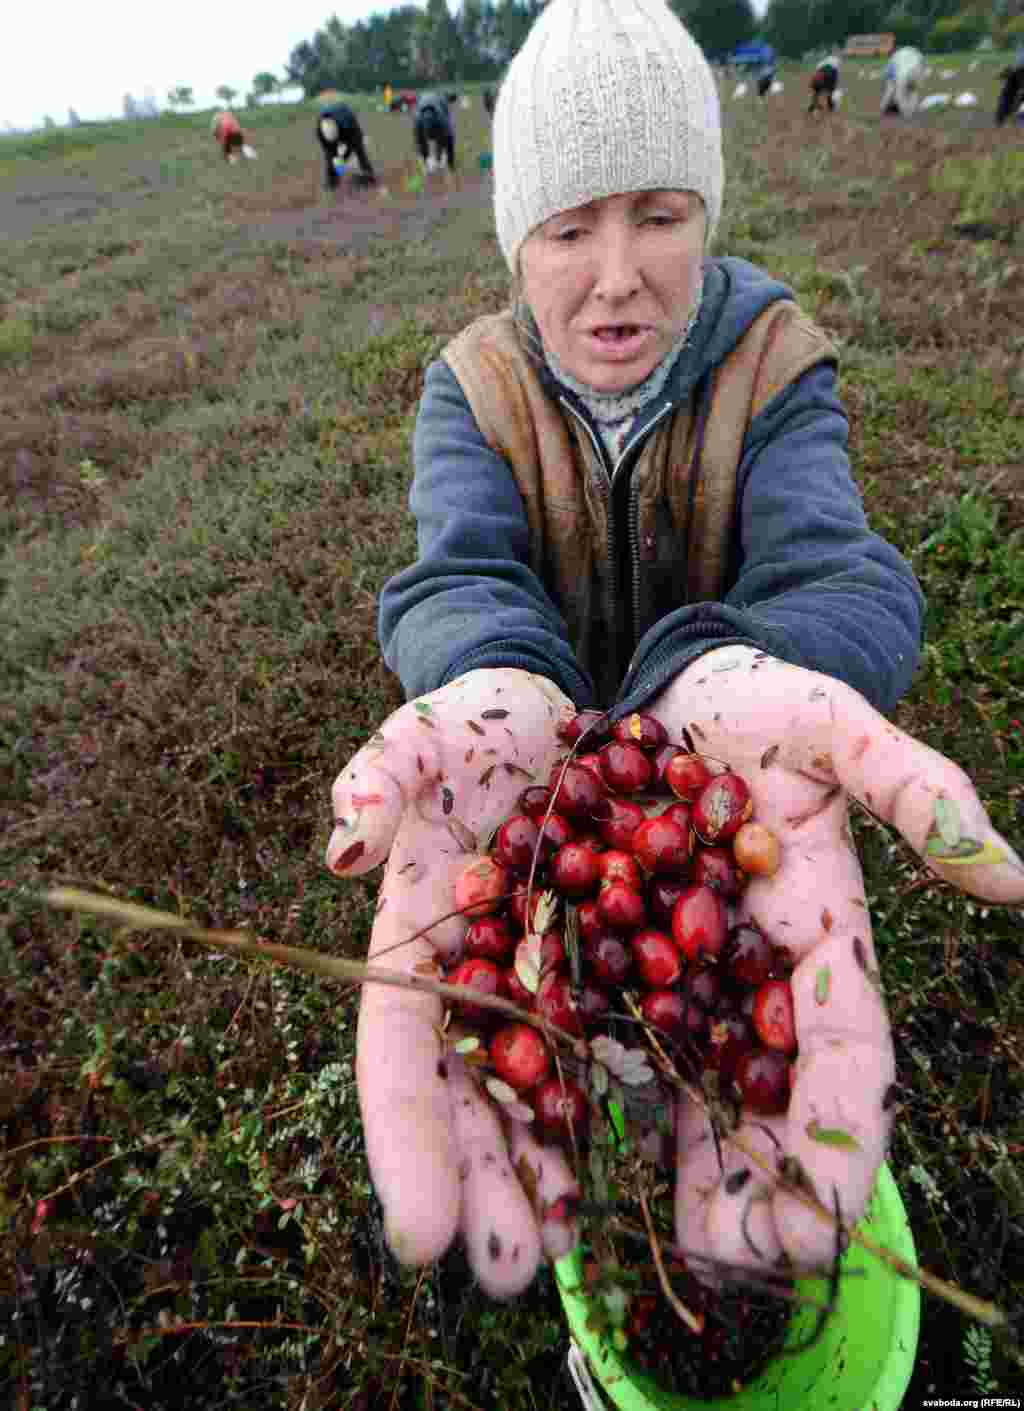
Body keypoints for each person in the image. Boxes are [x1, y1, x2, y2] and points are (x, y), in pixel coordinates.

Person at [325, 0, 1024, 1302]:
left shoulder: (775, 362)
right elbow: (454, 577)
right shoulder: (470, 389)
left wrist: (732, 676)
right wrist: (494, 680)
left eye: (660, 212)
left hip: (722, 771)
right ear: (514, 241)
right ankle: (612, 1299)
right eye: (569, 225)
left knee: (703, 1035)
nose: (617, 270)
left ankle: (681, 1255)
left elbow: (845, 578)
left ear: (709, 212)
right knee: (571, 1051)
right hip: (543, 773)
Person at [316, 103, 376, 191]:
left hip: (348, 121)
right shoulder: (320, 133)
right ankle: (332, 181)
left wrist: (344, 158)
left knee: (359, 150)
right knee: (330, 156)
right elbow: (329, 154)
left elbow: (351, 146)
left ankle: (368, 177)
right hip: (333, 123)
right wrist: (339, 167)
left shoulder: (347, 126)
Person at [413, 91, 456, 171]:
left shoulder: (441, 119)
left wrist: (448, 162)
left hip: (435, 108)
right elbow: (420, 143)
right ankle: (436, 163)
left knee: (447, 139)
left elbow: (448, 138)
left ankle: (444, 163)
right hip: (427, 110)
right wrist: (426, 162)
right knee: (423, 144)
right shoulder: (419, 122)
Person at [881, 46, 925, 117]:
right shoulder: (908, 52)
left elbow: (888, 77)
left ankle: (905, 113)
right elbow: (922, 61)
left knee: (899, 94)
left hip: (904, 73)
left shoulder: (893, 59)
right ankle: (912, 111)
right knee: (913, 91)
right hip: (918, 67)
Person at [995, 46, 1024, 127]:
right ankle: (1002, 119)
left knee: (1008, 94)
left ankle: (1002, 119)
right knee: (1008, 94)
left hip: (1017, 69)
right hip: (1018, 70)